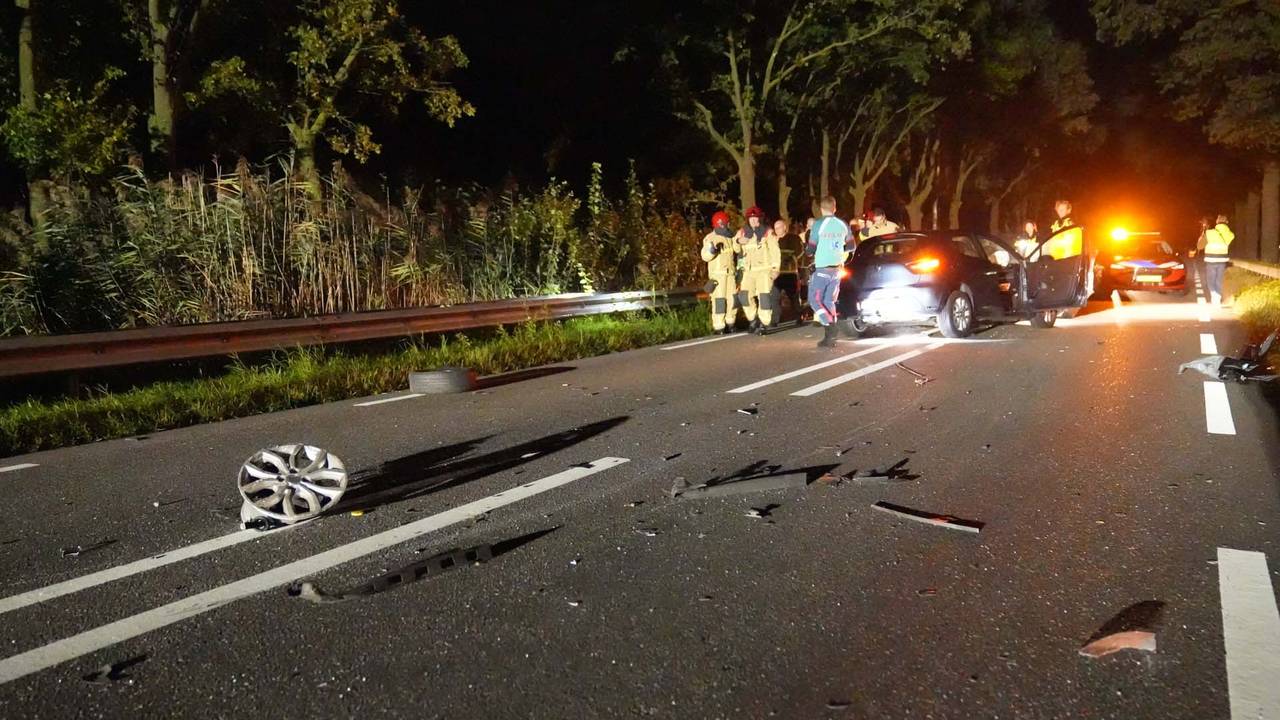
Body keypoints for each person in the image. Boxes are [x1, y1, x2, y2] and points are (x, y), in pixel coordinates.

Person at [806, 196, 856, 348]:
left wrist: (809, 251)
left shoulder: (819, 224)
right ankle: (829, 338)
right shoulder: (842, 224)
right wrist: (838, 253)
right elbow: (852, 246)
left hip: (822, 268)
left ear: (821, 209)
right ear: (834, 208)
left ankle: (830, 327)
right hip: (837, 269)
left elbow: (811, 248)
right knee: (829, 301)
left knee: (814, 300)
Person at [735, 206, 781, 334]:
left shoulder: (767, 232)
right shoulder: (742, 232)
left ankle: (764, 324)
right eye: (751, 218)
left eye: (756, 218)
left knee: (764, 297)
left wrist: (775, 268)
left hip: (764, 271)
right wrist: (739, 241)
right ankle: (753, 319)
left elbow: (775, 251)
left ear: (760, 218)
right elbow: (735, 247)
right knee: (744, 296)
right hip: (748, 271)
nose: (754, 221)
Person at [700, 211, 739, 334]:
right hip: (718, 276)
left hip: (730, 274)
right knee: (719, 301)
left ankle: (731, 323)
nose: (726, 226)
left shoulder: (730, 237)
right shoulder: (710, 238)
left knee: (733, 300)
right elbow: (705, 256)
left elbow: (737, 251)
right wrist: (712, 250)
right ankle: (719, 326)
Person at [773, 219, 804, 326]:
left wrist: (790, 259)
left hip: (789, 272)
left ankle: (799, 316)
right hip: (776, 273)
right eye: (775, 228)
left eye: (779, 227)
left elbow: (799, 252)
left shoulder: (793, 238)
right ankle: (774, 320)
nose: (777, 230)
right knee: (774, 297)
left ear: (785, 227)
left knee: (793, 296)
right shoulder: (772, 240)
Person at [1202, 214, 1235, 306]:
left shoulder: (1210, 232)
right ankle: (1218, 298)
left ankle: (1214, 296)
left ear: (1217, 221)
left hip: (1211, 259)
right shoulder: (1231, 235)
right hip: (1222, 259)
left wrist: (1204, 231)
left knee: (1211, 279)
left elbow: (1200, 245)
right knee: (1219, 280)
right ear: (1227, 222)